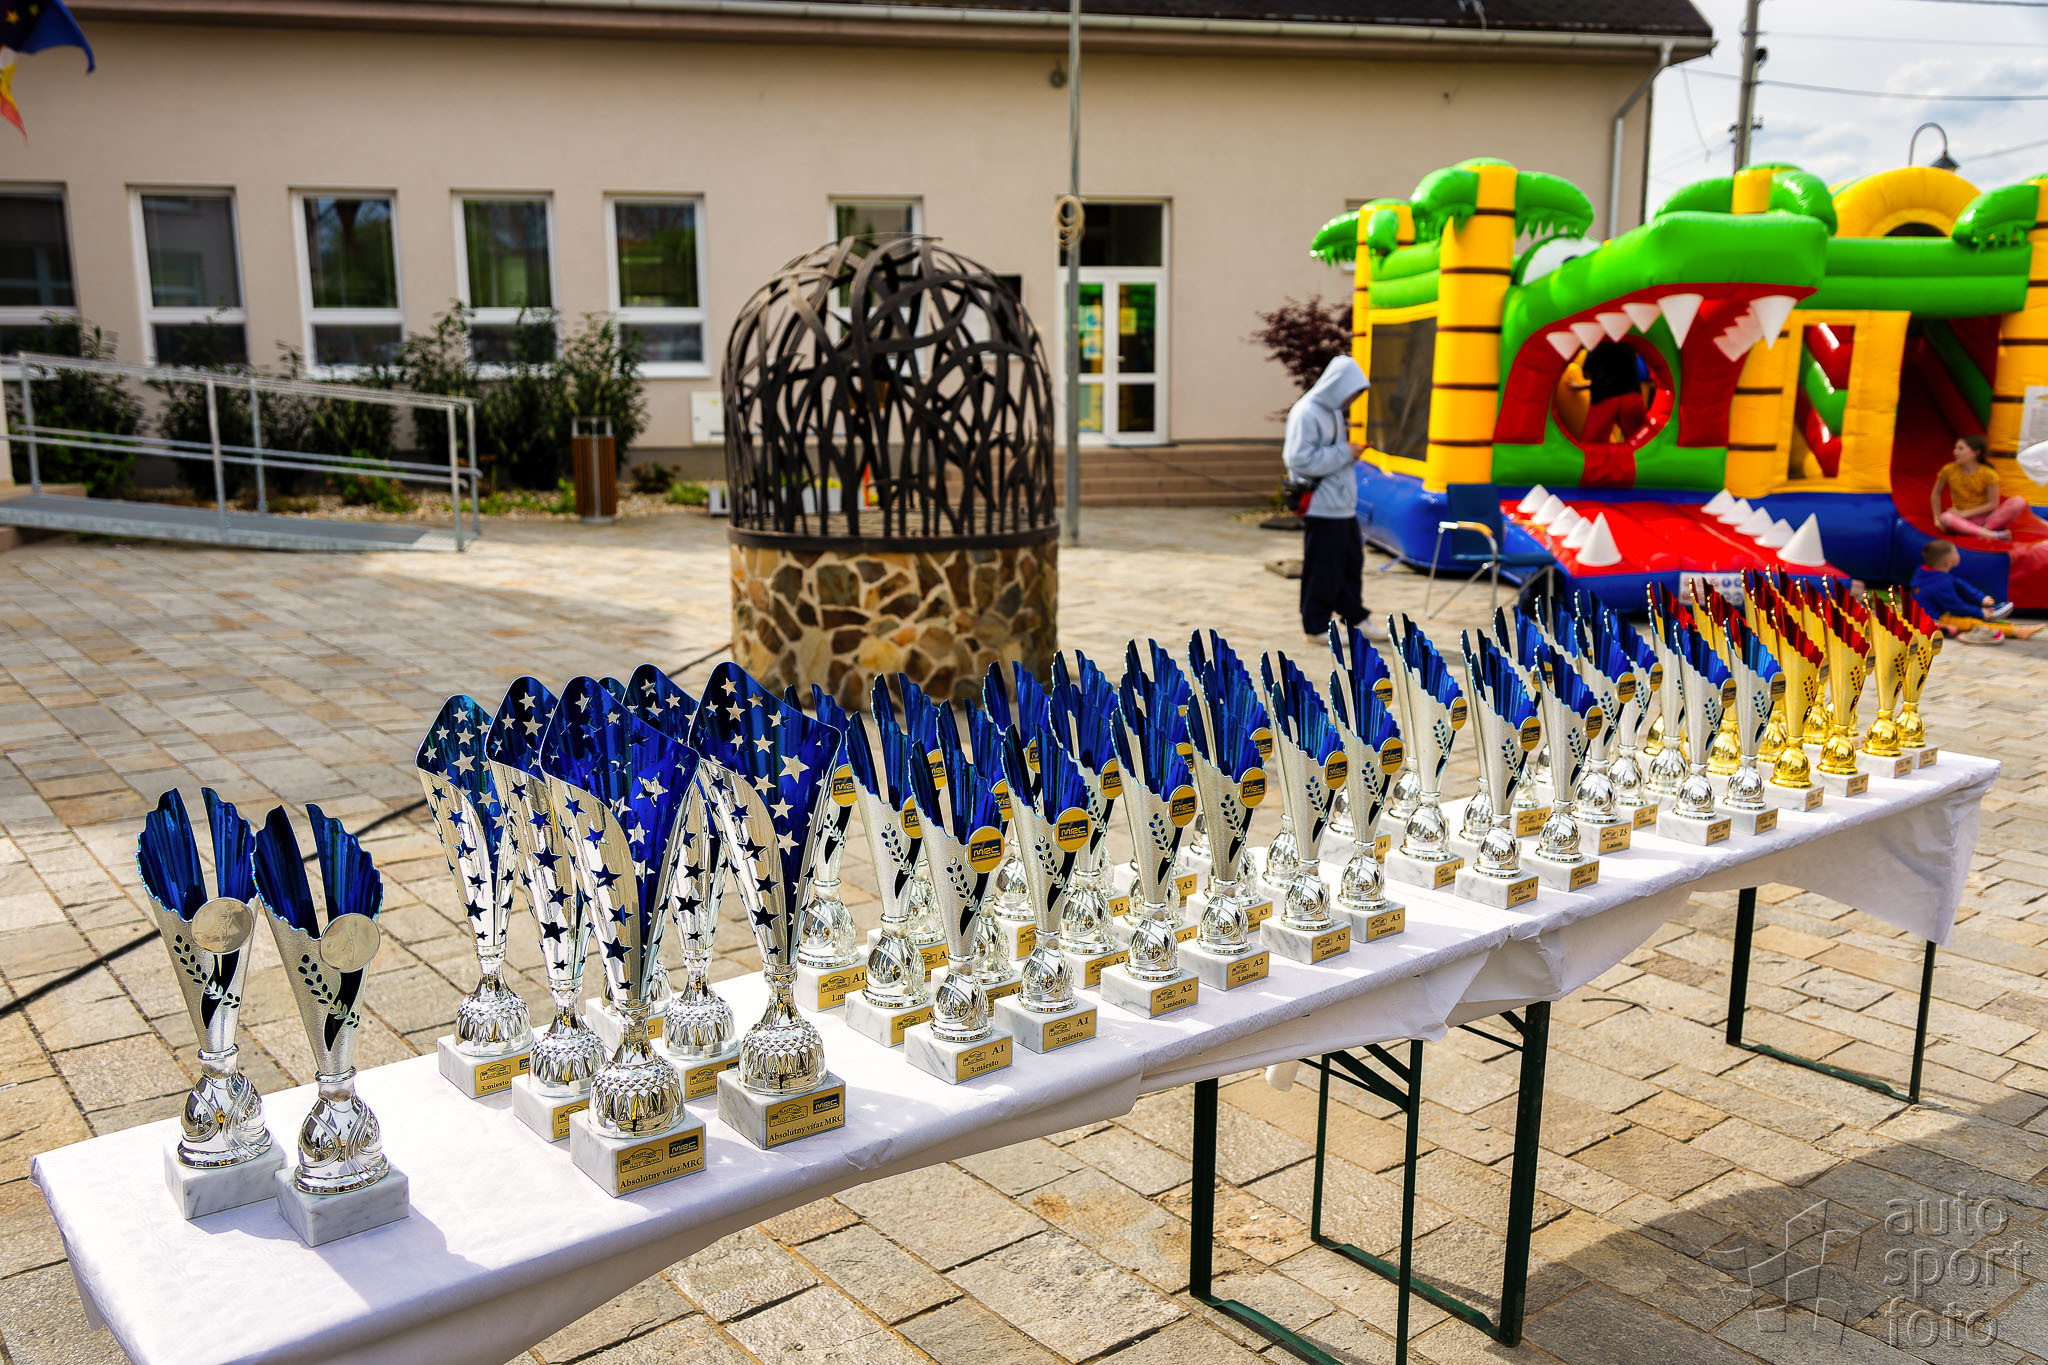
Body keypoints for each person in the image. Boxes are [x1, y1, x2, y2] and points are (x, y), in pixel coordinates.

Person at [1286, 355, 1370, 640]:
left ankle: (1355, 617)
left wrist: (1347, 453)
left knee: (1350, 565)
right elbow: (1299, 459)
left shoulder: (1332, 411)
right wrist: (1346, 452)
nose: (1352, 399)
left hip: (1341, 504)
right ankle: (1316, 626)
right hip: (1322, 505)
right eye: (1351, 391)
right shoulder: (1306, 412)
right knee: (1322, 567)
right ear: (1337, 385)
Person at [1910, 539, 2040, 643]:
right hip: (1933, 618)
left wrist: (1981, 598)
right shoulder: (1939, 583)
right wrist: (1979, 612)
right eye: (1956, 552)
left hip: (1935, 613)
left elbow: (1960, 585)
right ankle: (2017, 631)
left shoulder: (1926, 572)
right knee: (1972, 622)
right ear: (1947, 562)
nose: (1959, 554)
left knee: (1978, 615)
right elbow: (1956, 607)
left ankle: (2012, 626)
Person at [1931, 434, 2027, 541]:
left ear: (1976, 453)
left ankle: (1985, 531)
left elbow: (1992, 504)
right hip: (1963, 520)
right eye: (1955, 448)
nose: (1955, 452)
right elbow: (1936, 494)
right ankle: (1991, 534)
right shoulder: (1948, 470)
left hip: (1987, 519)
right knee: (1945, 517)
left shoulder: (1988, 473)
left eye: (1960, 448)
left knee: (2019, 501)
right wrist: (1937, 518)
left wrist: (1964, 514)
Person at [1581, 338, 1648, 442]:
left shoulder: (1596, 345)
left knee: (1593, 443)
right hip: (1631, 395)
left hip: (1604, 397)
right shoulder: (1629, 346)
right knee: (1640, 439)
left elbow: (1586, 374)